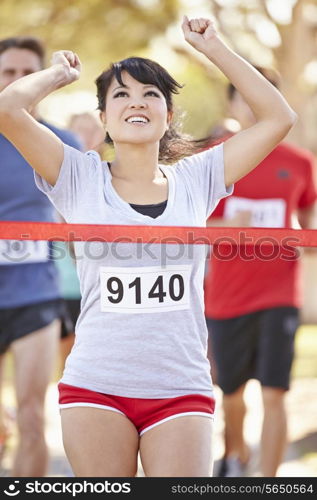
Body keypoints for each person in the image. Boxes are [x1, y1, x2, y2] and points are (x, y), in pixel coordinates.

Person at [0, 16, 296, 477]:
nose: (136, 102)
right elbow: (7, 111)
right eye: (121, 95)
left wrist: (214, 49)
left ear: (167, 114)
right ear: (103, 119)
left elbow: (279, 117)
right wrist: (57, 74)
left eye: (150, 94)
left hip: (181, 387)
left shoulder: (199, 177)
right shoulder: (78, 176)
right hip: (96, 386)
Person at [204, 67, 317, 477]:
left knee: (275, 393)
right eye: (246, 97)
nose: (255, 106)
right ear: (232, 103)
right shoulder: (212, 160)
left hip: (280, 295)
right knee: (231, 394)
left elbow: (307, 213)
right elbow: (190, 226)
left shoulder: (301, 163)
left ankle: (268, 483)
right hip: (226, 297)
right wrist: (233, 227)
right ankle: (237, 455)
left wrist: (301, 234)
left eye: (265, 95)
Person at [0, 36, 82, 476]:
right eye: (8, 73)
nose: (17, 82)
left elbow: (86, 220)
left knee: (33, 415)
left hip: (36, 294)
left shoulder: (62, 142)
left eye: (26, 73)